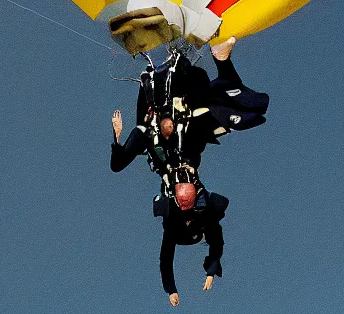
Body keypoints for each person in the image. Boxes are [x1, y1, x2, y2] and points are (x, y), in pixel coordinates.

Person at [110, 37, 269, 175]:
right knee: (237, 106)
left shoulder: (146, 135)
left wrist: (117, 137)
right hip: (184, 82)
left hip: (159, 81)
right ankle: (220, 56)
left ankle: (168, 60)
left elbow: (117, 165)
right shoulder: (193, 132)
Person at [153, 167, 229, 306]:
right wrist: (171, 289)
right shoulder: (172, 219)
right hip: (181, 225)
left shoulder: (205, 211)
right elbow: (166, 259)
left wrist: (211, 271)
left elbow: (217, 243)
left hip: (198, 221)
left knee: (211, 225)